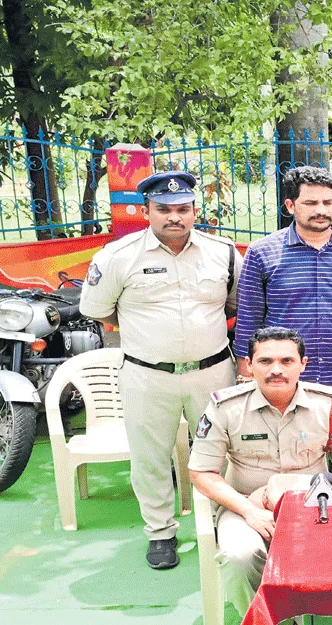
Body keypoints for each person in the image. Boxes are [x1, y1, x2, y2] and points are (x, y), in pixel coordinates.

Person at [79, 170, 239, 570]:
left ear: (195, 210)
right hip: (147, 375)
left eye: (183, 209)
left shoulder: (223, 253)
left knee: (222, 452)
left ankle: (222, 524)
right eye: (164, 209)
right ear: (147, 211)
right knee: (150, 457)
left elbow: (235, 305)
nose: (174, 217)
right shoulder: (118, 256)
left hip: (213, 372)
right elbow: (99, 311)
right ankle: (161, 533)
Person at [188, 327, 332, 625]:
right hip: (247, 508)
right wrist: (248, 510)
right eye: (265, 361)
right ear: (249, 365)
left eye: (286, 360)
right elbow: (201, 471)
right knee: (239, 556)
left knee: (331, 554)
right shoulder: (226, 407)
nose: (276, 369)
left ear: (303, 364)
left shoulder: (328, 404)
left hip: (312, 506)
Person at [233, 165, 332, 447]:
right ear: (290, 205)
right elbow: (249, 320)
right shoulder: (263, 253)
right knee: (292, 456)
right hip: (285, 380)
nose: (321, 210)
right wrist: (246, 374)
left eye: (328, 202)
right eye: (311, 203)